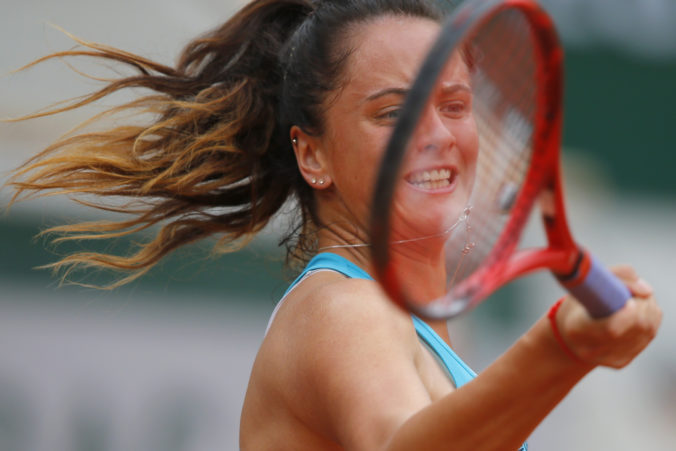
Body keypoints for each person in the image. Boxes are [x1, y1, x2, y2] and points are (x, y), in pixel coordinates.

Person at [6, 1, 662, 450]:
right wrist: (562, 350)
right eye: (392, 113)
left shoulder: (407, 325)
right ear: (312, 155)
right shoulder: (345, 310)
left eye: (455, 105)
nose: (437, 134)